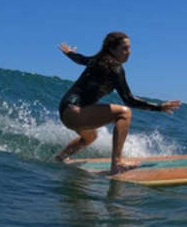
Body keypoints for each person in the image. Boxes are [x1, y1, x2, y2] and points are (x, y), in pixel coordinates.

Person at [55, 32, 180, 174]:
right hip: (74, 112)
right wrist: (159, 107)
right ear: (112, 49)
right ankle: (117, 164)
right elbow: (128, 99)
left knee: (90, 137)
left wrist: (70, 53)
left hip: (66, 110)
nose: (129, 52)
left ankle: (60, 157)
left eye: (129, 48)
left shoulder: (96, 60)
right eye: (125, 48)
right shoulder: (115, 69)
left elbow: (80, 59)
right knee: (124, 113)